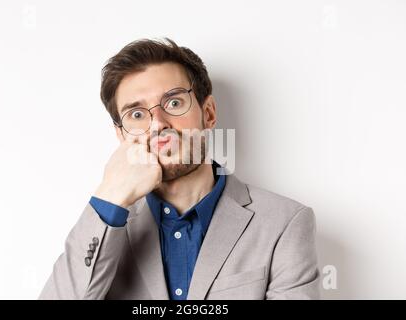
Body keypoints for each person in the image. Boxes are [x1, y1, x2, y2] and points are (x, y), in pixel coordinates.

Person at [39, 37, 320, 300]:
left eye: (173, 102)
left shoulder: (284, 222)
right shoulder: (105, 224)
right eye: (137, 114)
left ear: (208, 113)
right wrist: (111, 194)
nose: (158, 123)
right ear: (122, 136)